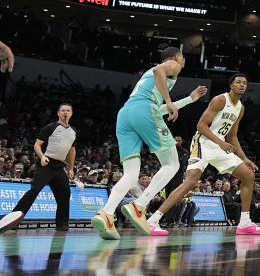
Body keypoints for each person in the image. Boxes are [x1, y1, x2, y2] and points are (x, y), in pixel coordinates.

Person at [90, 47, 207, 240]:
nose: (182, 61)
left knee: (130, 174)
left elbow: (153, 108)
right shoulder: (173, 66)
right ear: (177, 57)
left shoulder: (147, 82)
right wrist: (169, 101)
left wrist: (188, 100)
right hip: (144, 111)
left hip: (126, 114)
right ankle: (139, 206)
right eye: (182, 57)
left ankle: (106, 214)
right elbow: (158, 72)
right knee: (172, 164)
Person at [145, 73, 260, 236]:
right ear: (231, 85)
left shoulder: (240, 108)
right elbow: (201, 126)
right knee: (190, 182)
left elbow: (232, 136)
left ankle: (244, 223)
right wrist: (221, 143)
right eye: (238, 82)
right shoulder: (220, 100)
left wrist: (244, 158)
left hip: (220, 146)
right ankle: (153, 221)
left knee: (248, 176)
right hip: (203, 143)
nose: (242, 85)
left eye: (244, 83)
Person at [0, 104, 77, 232]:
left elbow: (72, 150)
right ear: (58, 113)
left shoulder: (73, 131)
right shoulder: (50, 127)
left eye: (68, 110)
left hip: (59, 167)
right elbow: (37, 145)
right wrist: (41, 156)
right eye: (63, 110)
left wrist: (71, 168)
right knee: (34, 190)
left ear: (71, 113)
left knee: (65, 194)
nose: (65, 112)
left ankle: (62, 224)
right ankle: (13, 220)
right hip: (45, 164)